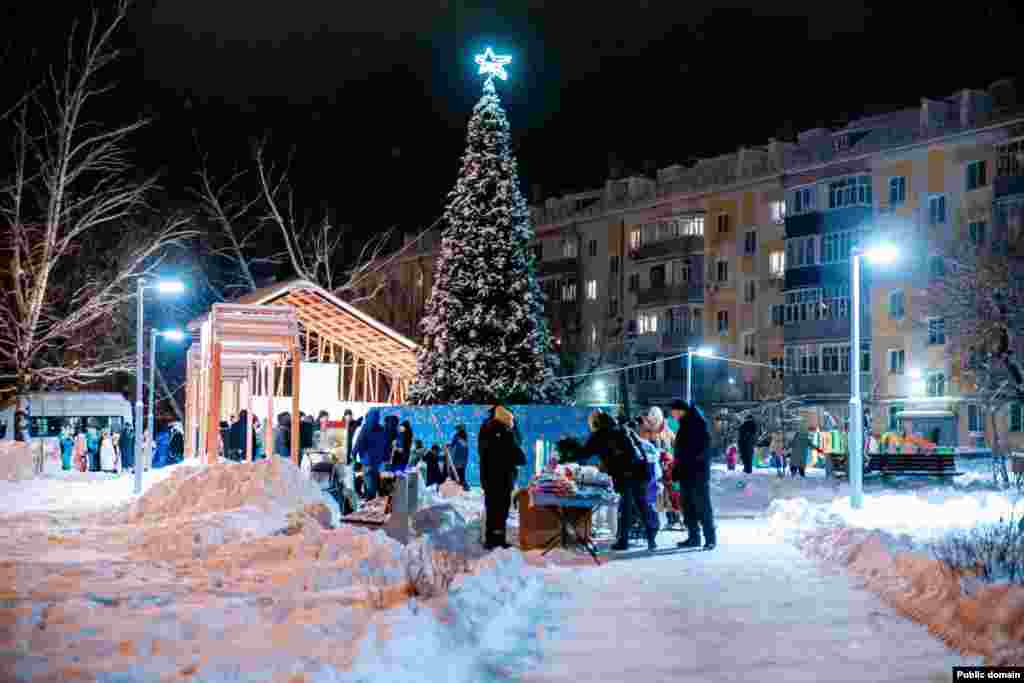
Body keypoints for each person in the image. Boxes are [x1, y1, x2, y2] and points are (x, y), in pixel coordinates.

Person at [580, 411, 657, 552]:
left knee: (625, 507)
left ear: (596, 423)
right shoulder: (623, 428)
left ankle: (623, 541)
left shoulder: (600, 434)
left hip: (625, 473)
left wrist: (566, 450)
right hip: (640, 470)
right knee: (641, 504)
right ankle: (651, 538)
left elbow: (584, 453)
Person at [671, 399, 716, 551]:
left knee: (702, 506)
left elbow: (704, 448)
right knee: (687, 506)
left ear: (681, 410)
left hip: (698, 473)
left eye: (674, 411)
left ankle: (710, 538)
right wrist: (678, 467)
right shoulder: (684, 423)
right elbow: (681, 450)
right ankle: (693, 537)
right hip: (686, 472)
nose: (672, 414)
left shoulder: (698, 423)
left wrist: (692, 462)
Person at [478, 405, 525, 550]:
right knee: (501, 509)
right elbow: (517, 455)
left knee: (492, 507)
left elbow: (483, 452)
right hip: (503, 477)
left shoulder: (485, 428)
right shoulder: (505, 432)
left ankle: (491, 538)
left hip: (489, 476)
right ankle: (498, 539)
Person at [351, 410, 389, 498]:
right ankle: (373, 499)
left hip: (367, 460)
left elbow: (359, 442)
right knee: (374, 481)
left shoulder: (366, 428)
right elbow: (386, 445)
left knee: (369, 485)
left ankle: (370, 501)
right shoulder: (382, 429)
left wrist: (353, 453)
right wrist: (386, 457)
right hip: (377, 461)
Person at [448, 424, 470, 490]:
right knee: (461, 472)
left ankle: (458, 486)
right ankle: (464, 486)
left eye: (457, 429)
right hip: (463, 457)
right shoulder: (464, 436)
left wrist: (449, 446)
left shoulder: (457, 436)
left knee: (456, 471)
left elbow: (453, 444)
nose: (457, 430)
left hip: (458, 457)